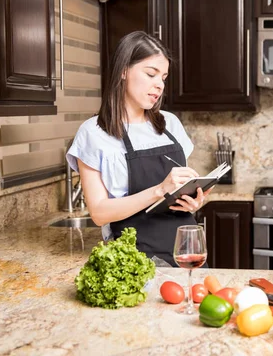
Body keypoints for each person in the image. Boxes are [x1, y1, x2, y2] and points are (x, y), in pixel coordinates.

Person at [66, 31, 211, 266]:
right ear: (123, 70)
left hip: (185, 251)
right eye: (151, 74)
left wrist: (195, 201)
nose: (159, 85)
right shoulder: (92, 133)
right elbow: (99, 213)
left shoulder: (169, 123)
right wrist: (159, 190)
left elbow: (180, 187)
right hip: (134, 260)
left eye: (163, 77)